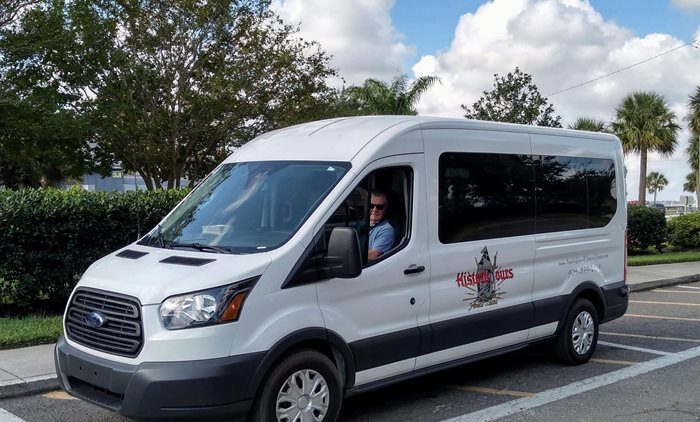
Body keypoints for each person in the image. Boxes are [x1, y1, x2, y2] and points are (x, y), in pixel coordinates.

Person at [368, 190, 395, 261]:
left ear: (386, 208)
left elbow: (373, 255)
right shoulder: (361, 223)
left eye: (379, 207)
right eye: (371, 205)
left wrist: (347, 256)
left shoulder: (387, 229)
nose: (374, 209)